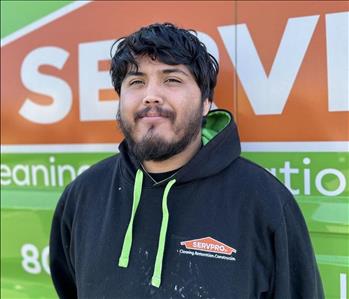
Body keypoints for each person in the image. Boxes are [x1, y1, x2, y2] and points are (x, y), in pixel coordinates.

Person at [49, 23, 324, 298]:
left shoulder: (265, 202)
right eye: (136, 82)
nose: (151, 95)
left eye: (172, 80)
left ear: (206, 102)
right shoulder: (83, 195)